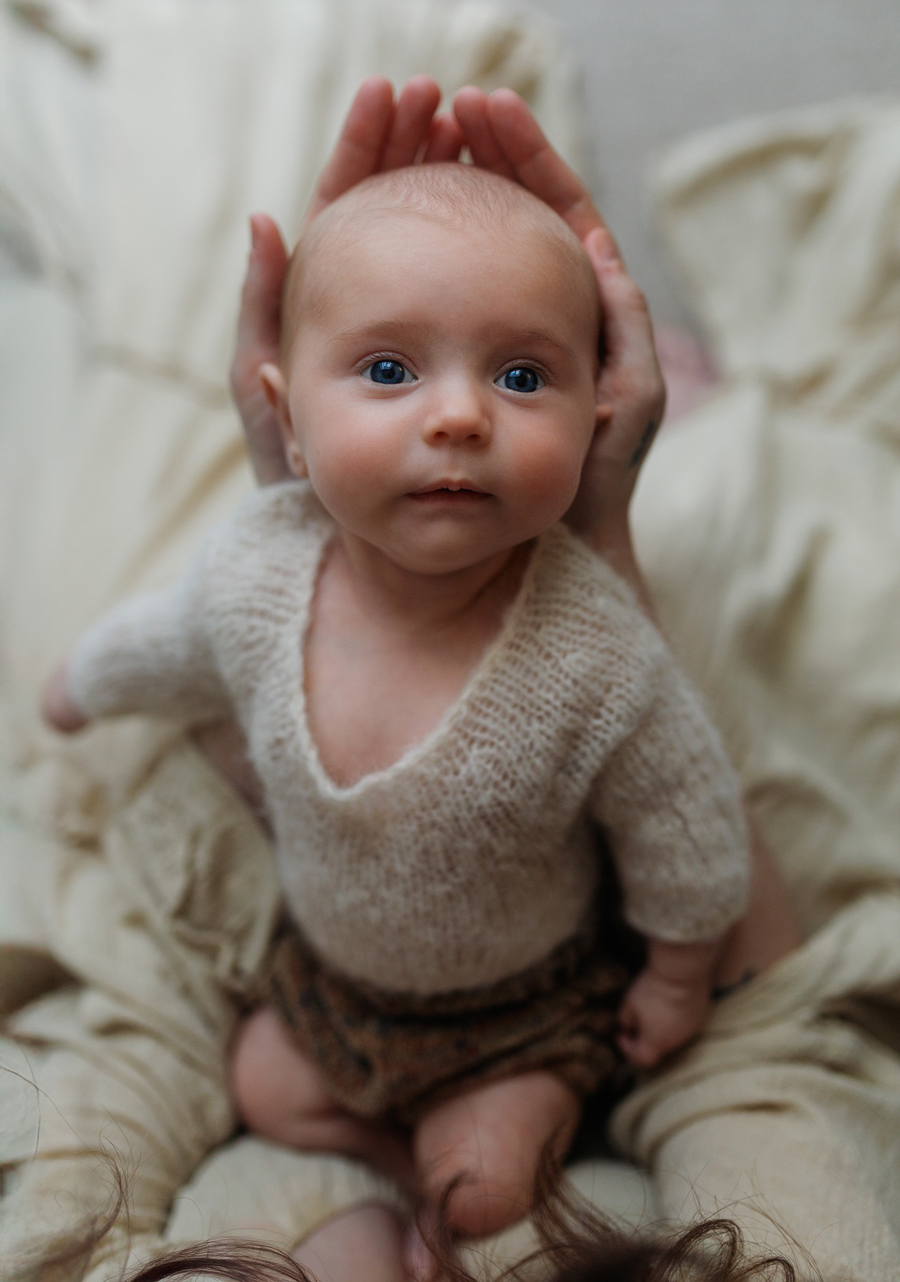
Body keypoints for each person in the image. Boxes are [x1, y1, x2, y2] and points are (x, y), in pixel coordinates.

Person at [40, 87, 759, 1277]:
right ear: (286, 420)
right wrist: (80, 684)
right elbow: (170, 636)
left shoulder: (591, 642)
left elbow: (684, 819)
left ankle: (455, 1173)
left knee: (484, 1191)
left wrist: (679, 980)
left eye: (522, 377)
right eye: (388, 369)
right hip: (335, 989)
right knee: (262, 1085)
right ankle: (382, 1156)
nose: (461, 415)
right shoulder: (263, 567)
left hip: (518, 1014)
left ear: (599, 415)